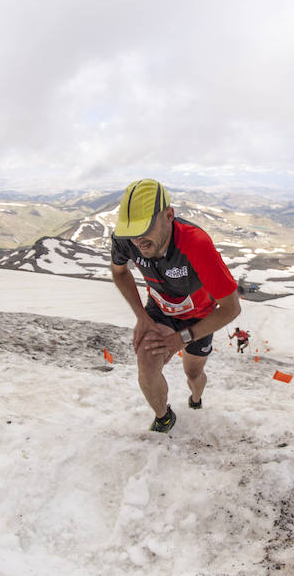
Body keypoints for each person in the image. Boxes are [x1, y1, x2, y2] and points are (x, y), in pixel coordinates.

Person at [110, 179, 241, 433]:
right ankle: (164, 417)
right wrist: (142, 318)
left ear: (169, 215)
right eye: (132, 231)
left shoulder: (196, 244)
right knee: (147, 365)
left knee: (193, 373)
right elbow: (119, 272)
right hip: (160, 311)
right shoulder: (124, 239)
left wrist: (182, 339)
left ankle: (195, 398)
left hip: (200, 320)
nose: (138, 240)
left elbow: (231, 308)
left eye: (145, 229)